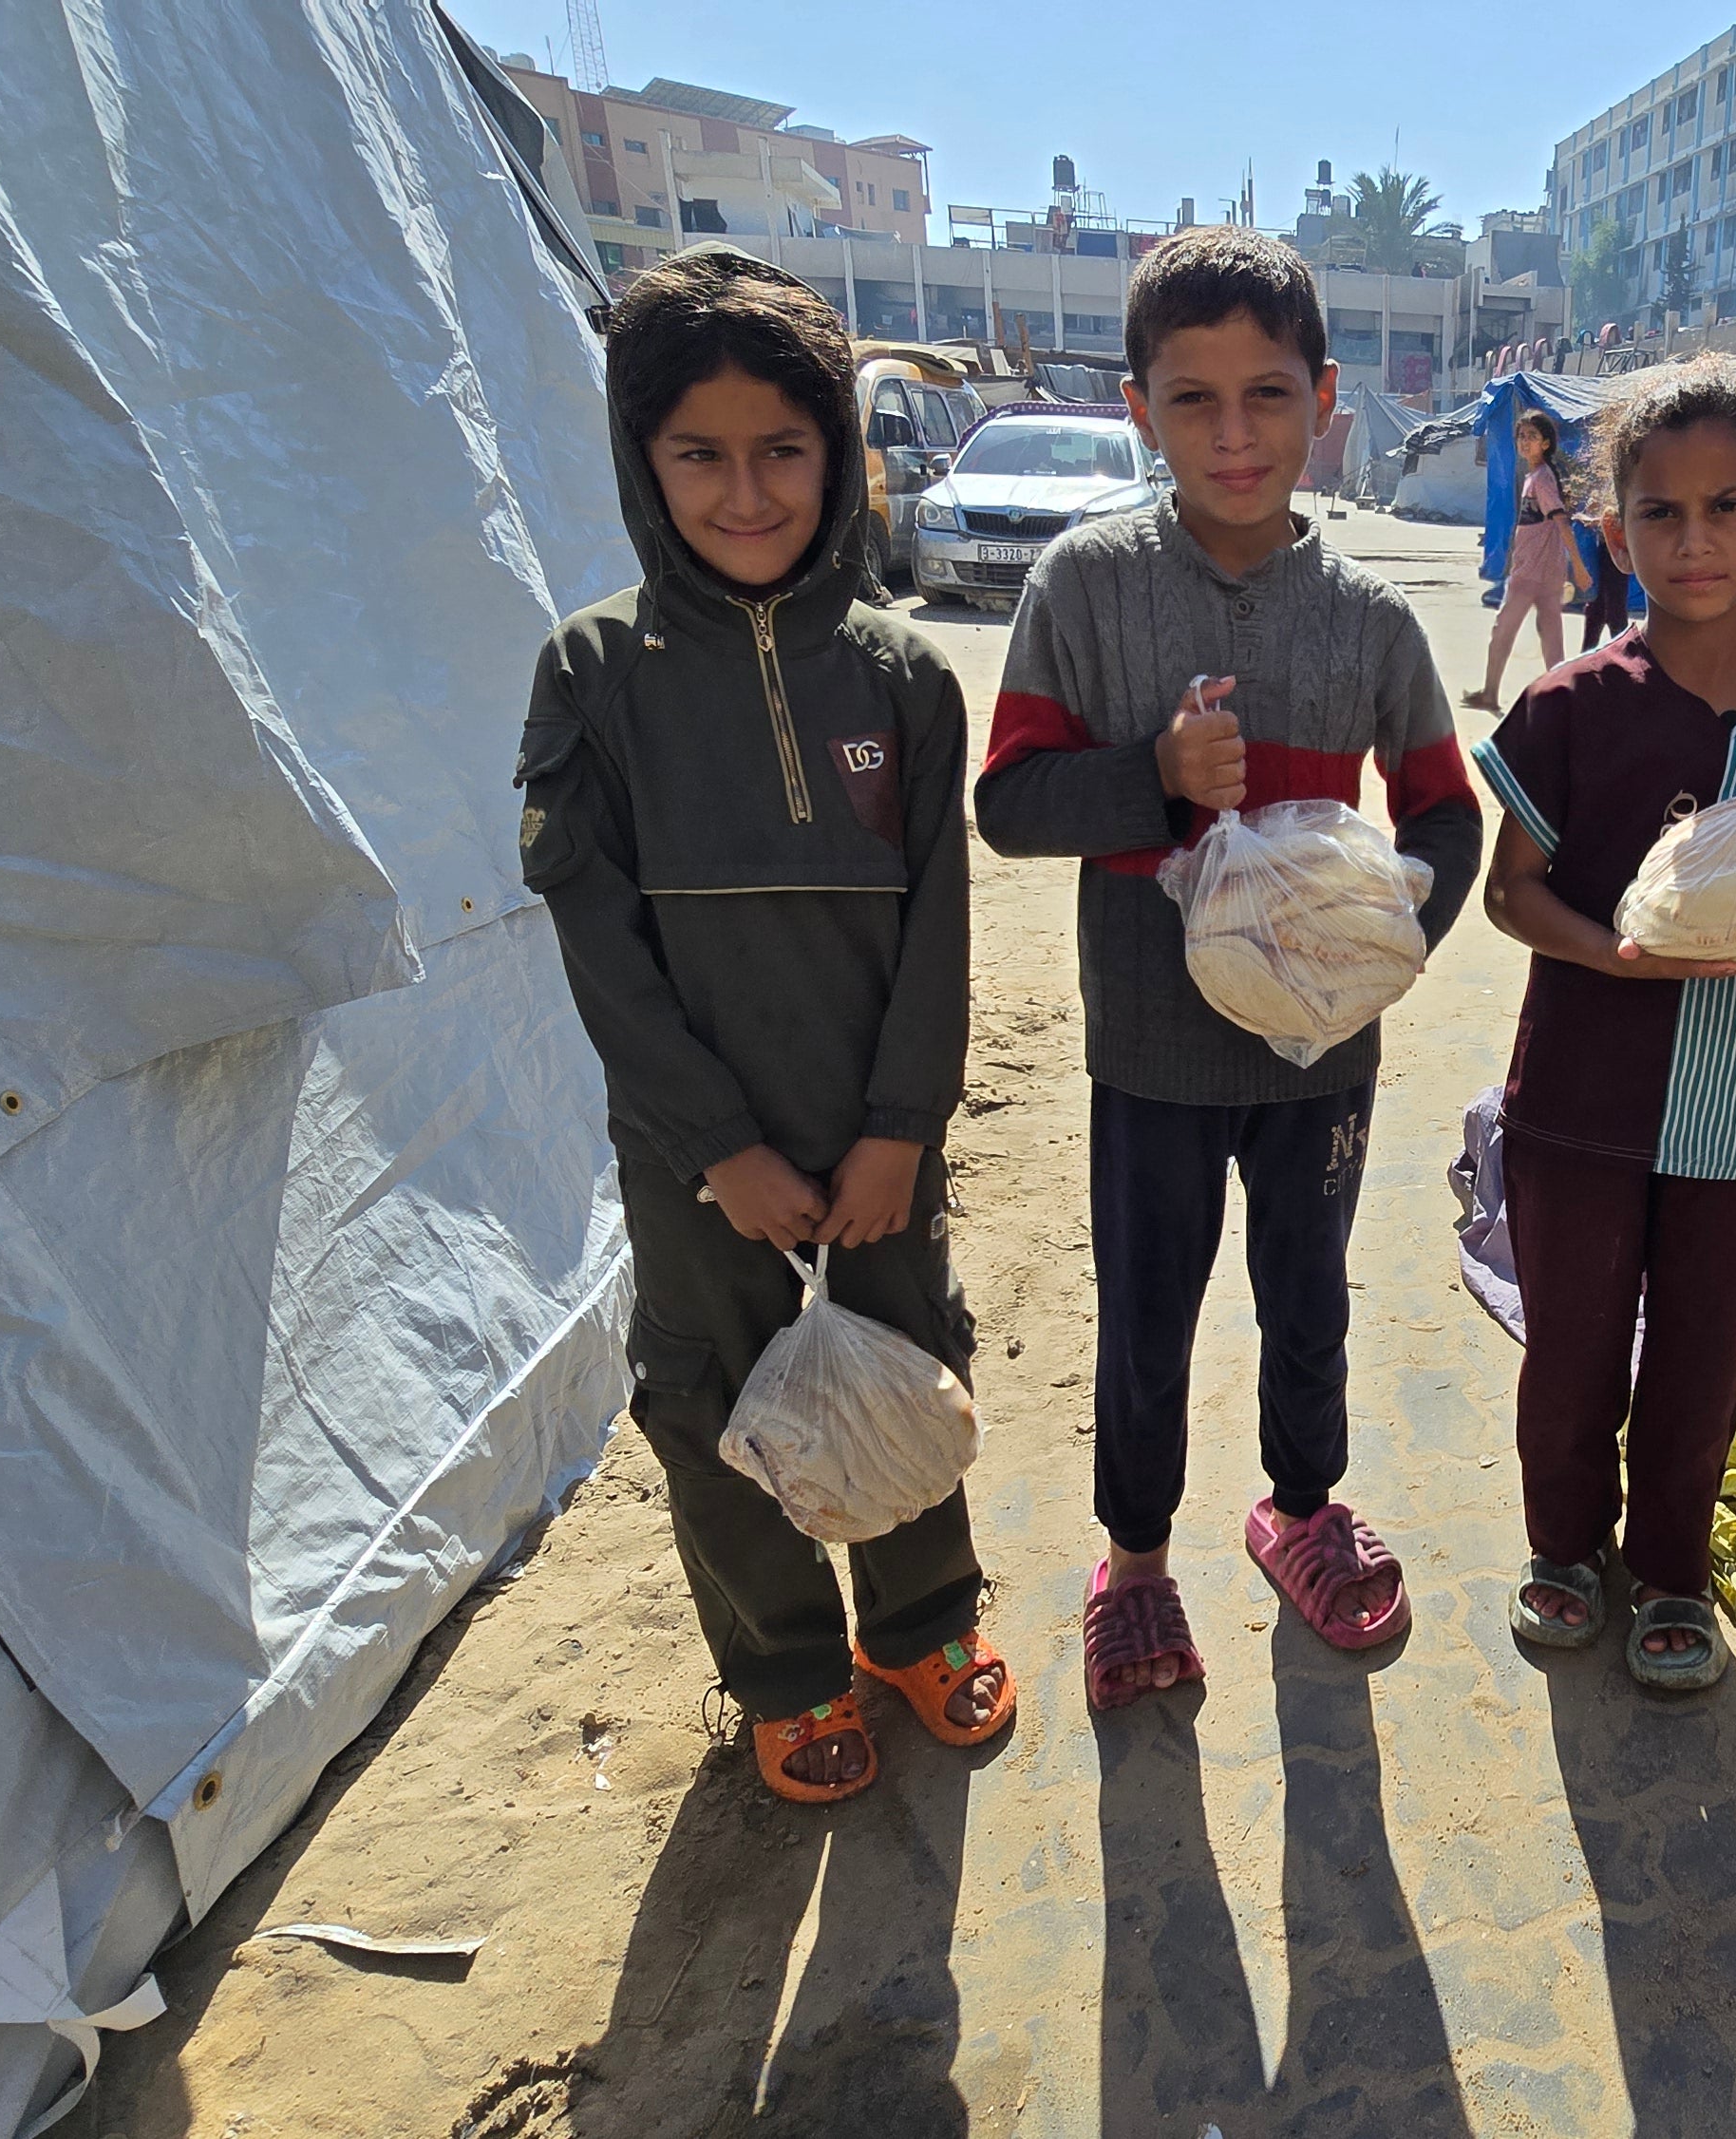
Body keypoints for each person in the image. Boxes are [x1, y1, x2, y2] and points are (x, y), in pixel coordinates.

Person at [516, 248, 1011, 1806]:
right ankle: (787, 1666)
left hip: (875, 1137)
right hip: (699, 1159)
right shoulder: (597, 675)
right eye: (699, 455)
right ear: (639, 459)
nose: (745, 493)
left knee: (903, 1367)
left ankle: (921, 1622)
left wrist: (898, 1128)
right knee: (717, 1400)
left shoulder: (904, 675)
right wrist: (714, 1143)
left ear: (838, 457)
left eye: (782, 450)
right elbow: (599, 936)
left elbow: (941, 922)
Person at [972, 227, 1483, 1709]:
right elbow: (1009, 804)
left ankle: (1301, 1512)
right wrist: (1153, 778)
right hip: (1152, 1048)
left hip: (1322, 1055)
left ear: (1326, 399)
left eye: (1267, 395)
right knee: (1149, 1311)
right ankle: (1134, 1564)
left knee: (1307, 1292)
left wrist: (1390, 942)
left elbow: (1445, 808)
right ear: (1137, 407)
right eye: (1192, 400)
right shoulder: (1082, 586)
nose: (1235, 434)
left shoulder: (1376, 620)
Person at [1468, 357, 1736, 1690]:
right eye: (1660, 514)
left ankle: (1671, 1574)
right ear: (1614, 533)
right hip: (1579, 1102)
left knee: (1702, 1367)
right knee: (1574, 1352)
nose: (1695, 541)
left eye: (1726, 508)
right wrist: (1620, 955)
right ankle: (1562, 1548)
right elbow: (1510, 894)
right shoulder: (1568, 708)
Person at [1462, 407, 1586, 711]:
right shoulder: (1537, 476)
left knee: (1503, 632)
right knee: (1550, 637)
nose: (1524, 442)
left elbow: (1560, 522)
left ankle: (1491, 694)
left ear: (1546, 443)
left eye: (1532, 436)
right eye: (1521, 436)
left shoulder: (1541, 479)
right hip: (1545, 572)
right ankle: (1561, 701)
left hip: (1532, 574)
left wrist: (1579, 567)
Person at [1576, 514, 1633, 651]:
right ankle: (1587, 656)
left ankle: (1624, 654)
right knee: (1598, 609)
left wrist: (1596, 522)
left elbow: (1619, 516)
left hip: (1617, 549)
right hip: (1606, 548)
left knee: (1614, 609)